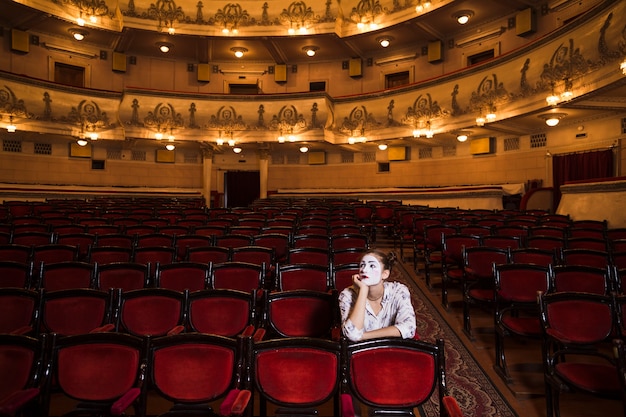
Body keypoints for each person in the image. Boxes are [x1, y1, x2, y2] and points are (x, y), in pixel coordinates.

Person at [339, 249, 417, 341]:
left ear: (384, 274)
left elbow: (409, 328)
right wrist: (363, 291)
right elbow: (352, 333)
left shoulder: (398, 291)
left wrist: (363, 336)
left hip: (392, 349)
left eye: (372, 265)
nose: (364, 269)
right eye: (362, 265)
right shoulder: (347, 295)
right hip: (360, 352)